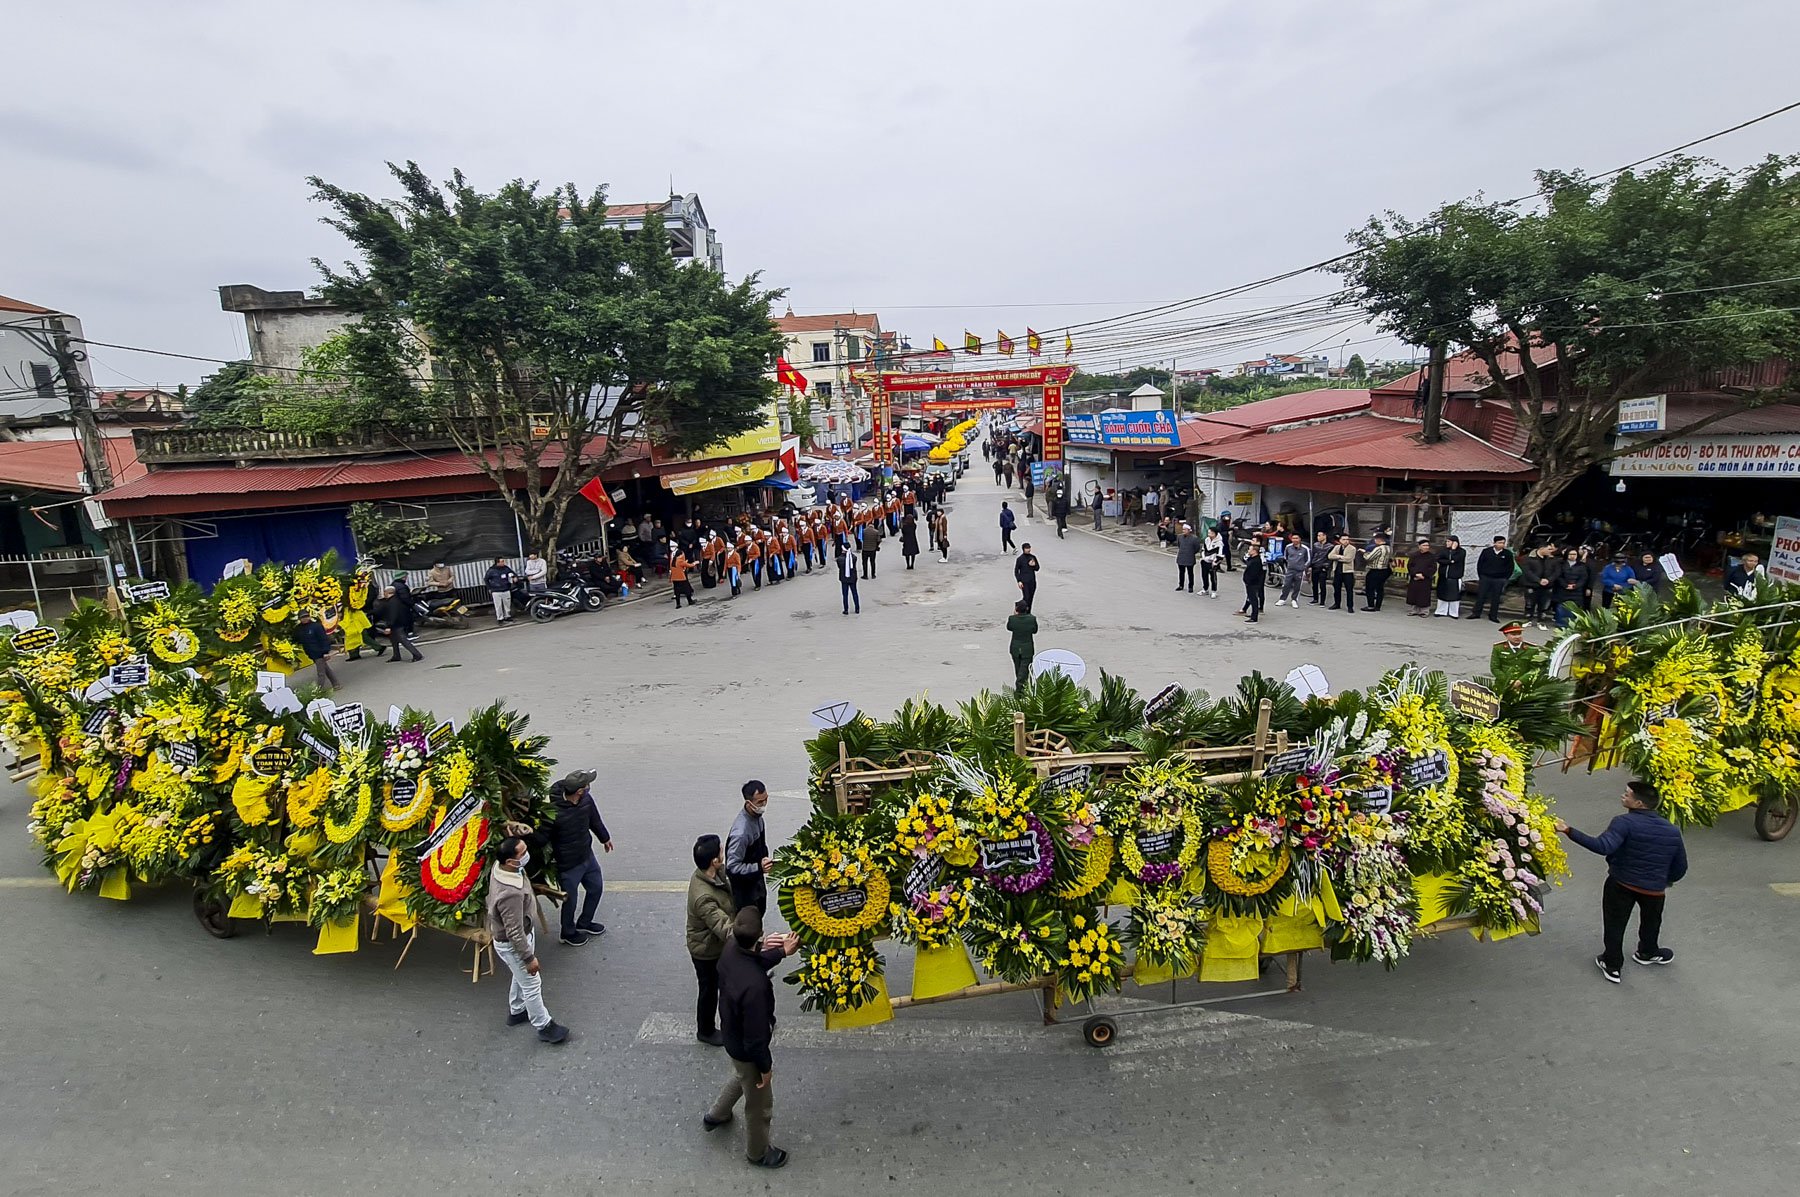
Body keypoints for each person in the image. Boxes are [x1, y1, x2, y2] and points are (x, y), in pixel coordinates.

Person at [1555, 779, 1687, 984]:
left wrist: (1568, 830)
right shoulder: (1671, 830)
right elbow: (1680, 867)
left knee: (1615, 923)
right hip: (1655, 890)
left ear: (1639, 804)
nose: (1622, 796)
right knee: (1652, 922)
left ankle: (1612, 964)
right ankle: (1648, 952)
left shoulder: (1624, 823)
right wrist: (1664, 880)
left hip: (1622, 884)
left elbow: (1603, 847)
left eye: (1627, 795)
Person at [703, 908, 799, 1168]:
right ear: (760, 935)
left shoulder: (731, 949)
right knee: (759, 1104)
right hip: (747, 1046)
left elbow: (753, 962)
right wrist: (766, 1069)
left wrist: (781, 952)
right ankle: (757, 1152)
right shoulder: (755, 986)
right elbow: (757, 1040)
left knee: (741, 1075)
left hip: (732, 1037)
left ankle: (717, 1114)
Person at [486, 835, 570, 1044]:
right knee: (532, 983)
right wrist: (528, 957)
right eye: (522, 853)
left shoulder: (502, 868)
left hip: (520, 936)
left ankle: (517, 1011)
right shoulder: (509, 894)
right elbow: (514, 931)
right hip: (514, 943)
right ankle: (544, 1025)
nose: (526, 855)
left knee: (520, 976)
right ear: (511, 862)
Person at [540, 769, 612, 946]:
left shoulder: (586, 799)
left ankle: (585, 922)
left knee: (596, 888)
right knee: (570, 901)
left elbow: (594, 820)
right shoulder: (552, 811)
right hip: (568, 864)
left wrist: (605, 838)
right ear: (580, 790)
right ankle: (567, 932)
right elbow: (541, 838)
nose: (589, 786)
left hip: (587, 855)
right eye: (587, 784)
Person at [687, 834, 736, 1047]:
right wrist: (753, 939)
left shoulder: (710, 874)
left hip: (716, 945)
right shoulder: (703, 896)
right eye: (720, 853)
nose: (723, 855)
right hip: (706, 949)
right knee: (708, 989)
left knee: (722, 983)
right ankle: (705, 1030)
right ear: (714, 861)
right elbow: (723, 927)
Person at [725, 781, 771, 913]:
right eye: (760, 802)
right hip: (745, 893)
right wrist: (758, 867)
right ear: (748, 803)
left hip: (757, 885)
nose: (764, 805)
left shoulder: (758, 818)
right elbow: (732, 867)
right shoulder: (741, 833)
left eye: (766, 799)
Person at [293, 611, 342, 691]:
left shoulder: (316, 626)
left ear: (309, 616)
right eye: (302, 617)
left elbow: (324, 639)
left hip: (319, 652)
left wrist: (325, 652)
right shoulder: (298, 629)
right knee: (326, 669)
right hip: (311, 653)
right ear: (299, 619)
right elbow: (296, 639)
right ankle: (336, 684)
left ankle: (318, 690)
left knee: (321, 673)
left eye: (306, 616)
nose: (305, 619)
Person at [375, 585, 424, 662]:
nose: (383, 593)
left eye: (384, 591)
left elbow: (393, 615)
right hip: (398, 623)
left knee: (403, 640)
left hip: (396, 624)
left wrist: (389, 626)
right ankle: (396, 655)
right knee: (394, 640)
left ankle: (417, 655)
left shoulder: (392, 602)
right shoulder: (394, 600)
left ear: (388, 592)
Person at [1473, 535, 1515, 622]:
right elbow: (1480, 564)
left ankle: (1493, 616)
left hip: (1499, 579)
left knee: (1496, 598)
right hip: (1486, 577)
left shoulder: (1507, 554)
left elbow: (1510, 567)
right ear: (1494, 543)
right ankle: (1476, 613)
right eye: (1500, 543)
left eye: (1503, 543)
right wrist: (1481, 576)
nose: (1502, 544)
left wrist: (1505, 578)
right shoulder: (1486, 552)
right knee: (1481, 596)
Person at [1522, 545, 1561, 629]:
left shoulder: (1553, 560)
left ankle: (1541, 621)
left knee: (1544, 605)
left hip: (1547, 585)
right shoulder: (1529, 558)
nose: (1551, 551)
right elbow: (1527, 571)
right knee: (1529, 604)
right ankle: (1528, 619)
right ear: (1541, 548)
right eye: (1549, 549)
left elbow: (1557, 572)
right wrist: (1538, 580)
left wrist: (1549, 580)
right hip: (1532, 585)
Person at [1555, 546, 1591, 627]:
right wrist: (1565, 585)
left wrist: (1575, 586)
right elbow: (1558, 576)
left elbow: (1584, 578)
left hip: (1576, 591)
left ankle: (1571, 625)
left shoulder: (1581, 566)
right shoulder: (1561, 564)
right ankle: (1561, 624)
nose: (1572, 556)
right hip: (1563, 590)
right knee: (1561, 607)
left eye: (1574, 554)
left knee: (1573, 609)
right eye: (1570, 554)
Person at [1006, 600, 1038, 694]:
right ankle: (1021, 689)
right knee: (1024, 671)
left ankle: (1021, 689)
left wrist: (1014, 615)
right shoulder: (1032, 619)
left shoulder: (1012, 619)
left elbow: (1009, 627)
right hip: (1027, 649)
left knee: (1018, 669)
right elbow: (1034, 630)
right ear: (1026, 609)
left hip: (1015, 648)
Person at [1434, 535, 1467, 618]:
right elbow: (1438, 559)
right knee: (1442, 594)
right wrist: (1449, 561)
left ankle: (1453, 612)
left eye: (1449, 541)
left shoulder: (1461, 551)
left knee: (1454, 596)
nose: (1447, 543)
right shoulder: (1444, 551)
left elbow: (1456, 559)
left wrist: (1453, 550)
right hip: (1443, 576)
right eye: (1447, 541)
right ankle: (1441, 611)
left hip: (1454, 577)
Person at [1328, 534, 1360, 614]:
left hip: (1347, 572)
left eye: (1347, 539)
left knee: (1349, 590)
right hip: (1337, 570)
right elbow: (1330, 556)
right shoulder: (1337, 547)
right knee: (1336, 588)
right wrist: (1340, 556)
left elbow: (1348, 559)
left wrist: (1338, 557)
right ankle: (1337, 604)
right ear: (1340, 540)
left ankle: (1350, 606)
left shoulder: (1352, 548)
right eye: (1344, 539)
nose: (1346, 541)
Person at [1362, 533, 1393, 612]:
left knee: (1370, 588)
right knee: (1380, 588)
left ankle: (1370, 606)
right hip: (1385, 570)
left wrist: (1364, 552)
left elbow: (1369, 558)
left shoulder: (1379, 548)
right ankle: (1378, 606)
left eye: (1375, 539)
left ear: (1379, 540)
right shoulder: (1389, 548)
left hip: (1375, 569)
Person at [1405, 540, 1436, 617]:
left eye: (1427, 546)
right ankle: (1413, 610)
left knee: (1424, 595)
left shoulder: (1431, 556)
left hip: (1425, 579)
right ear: (1419, 546)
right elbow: (1410, 566)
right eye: (1424, 545)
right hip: (1415, 578)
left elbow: (1433, 568)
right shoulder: (1414, 555)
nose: (1426, 547)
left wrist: (1424, 575)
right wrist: (1415, 574)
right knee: (1413, 594)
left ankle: (1424, 611)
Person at [1278, 533, 1309, 608]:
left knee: (1297, 586)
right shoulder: (1288, 547)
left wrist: (1303, 567)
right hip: (1290, 570)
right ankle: (1282, 599)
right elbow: (1286, 557)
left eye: (1296, 538)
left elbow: (1308, 559)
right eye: (1293, 538)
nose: (1295, 540)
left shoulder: (1305, 549)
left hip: (1299, 571)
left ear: (1300, 539)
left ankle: (1294, 600)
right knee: (1286, 584)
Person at [485, 557, 516, 624]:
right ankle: (500, 619)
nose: (503, 563)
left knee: (507, 604)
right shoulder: (491, 570)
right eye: (502, 561)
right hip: (496, 590)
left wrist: (514, 577)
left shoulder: (506, 568)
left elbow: (513, 573)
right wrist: (489, 588)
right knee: (498, 606)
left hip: (506, 589)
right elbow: (486, 579)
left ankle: (507, 616)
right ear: (497, 562)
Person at [1198, 524, 1223, 598]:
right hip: (1204, 561)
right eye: (1208, 533)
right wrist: (1203, 557)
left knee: (1213, 577)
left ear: (1215, 534)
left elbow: (1220, 554)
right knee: (1204, 576)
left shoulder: (1219, 543)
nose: (1209, 534)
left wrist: (1215, 562)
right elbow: (1203, 549)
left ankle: (1214, 591)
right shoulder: (1207, 540)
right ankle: (1205, 589)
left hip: (1213, 563)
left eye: (1211, 533)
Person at [1308, 530, 1331, 606]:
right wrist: (1310, 565)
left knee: (1322, 585)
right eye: (1317, 536)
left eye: (1320, 535)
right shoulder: (1315, 545)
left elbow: (1329, 558)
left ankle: (1322, 601)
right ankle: (1315, 598)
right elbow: (1312, 555)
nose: (1318, 537)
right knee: (1314, 584)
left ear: (1324, 536)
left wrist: (1326, 566)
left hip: (1323, 567)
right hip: (1315, 566)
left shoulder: (1330, 546)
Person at [1174, 523, 1199, 593]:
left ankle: (1190, 586)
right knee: (1181, 572)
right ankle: (1181, 585)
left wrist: (1191, 552)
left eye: (1185, 530)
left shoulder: (1194, 538)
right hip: (1181, 557)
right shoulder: (1179, 537)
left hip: (1190, 557)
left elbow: (1197, 548)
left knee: (1190, 573)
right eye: (1183, 529)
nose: (1184, 531)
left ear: (1189, 530)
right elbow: (1179, 545)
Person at [1241, 548, 1265, 622]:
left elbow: (1254, 573)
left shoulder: (1256, 561)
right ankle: (1252, 613)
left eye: (1250, 550)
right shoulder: (1252, 558)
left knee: (1253, 599)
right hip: (1250, 582)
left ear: (1255, 551)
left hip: (1253, 583)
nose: (1248, 550)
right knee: (1251, 598)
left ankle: (1254, 617)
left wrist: (1248, 581)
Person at [1015, 542, 1039, 611]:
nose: (1028, 549)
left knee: (1031, 598)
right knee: (1026, 597)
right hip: (1024, 582)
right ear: (1023, 549)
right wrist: (1019, 581)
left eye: (1029, 548)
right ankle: (1020, 608)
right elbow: (1016, 571)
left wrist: (1034, 565)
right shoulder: (1020, 559)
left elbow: (1037, 568)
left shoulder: (1033, 557)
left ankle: (1028, 612)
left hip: (1032, 581)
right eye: (1027, 548)